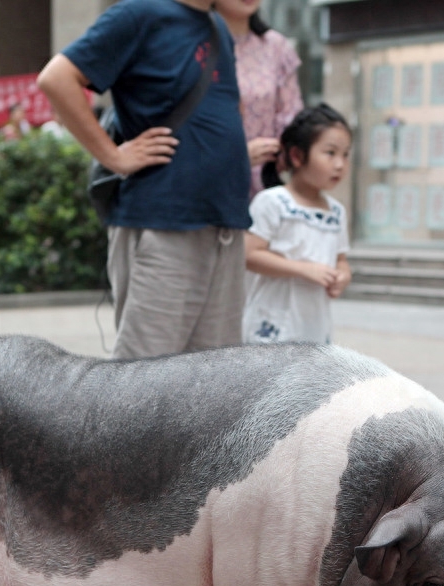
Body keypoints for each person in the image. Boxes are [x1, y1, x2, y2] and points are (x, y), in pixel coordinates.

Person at [38, 0, 251, 359]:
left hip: (224, 222)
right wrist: (113, 156)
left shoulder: (218, 28)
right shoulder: (139, 14)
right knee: (145, 374)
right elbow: (57, 78)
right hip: (162, 221)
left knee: (217, 376)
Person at [242, 104, 352, 345]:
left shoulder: (336, 212)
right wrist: (304, 269)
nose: (340, 164)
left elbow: (340, 259)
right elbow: (249, 255)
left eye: (345, 154)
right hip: (271, 327)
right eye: (330, 153)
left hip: (313, 327)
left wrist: (343, 276)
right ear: (297, 156)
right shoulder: (272, 202)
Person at [215, 0, 303, 199]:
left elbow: (291, 114)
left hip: (265, 183)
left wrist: (281, 153)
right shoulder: (195, 44)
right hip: (208, 179)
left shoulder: (277, 46)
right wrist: (237, 157)